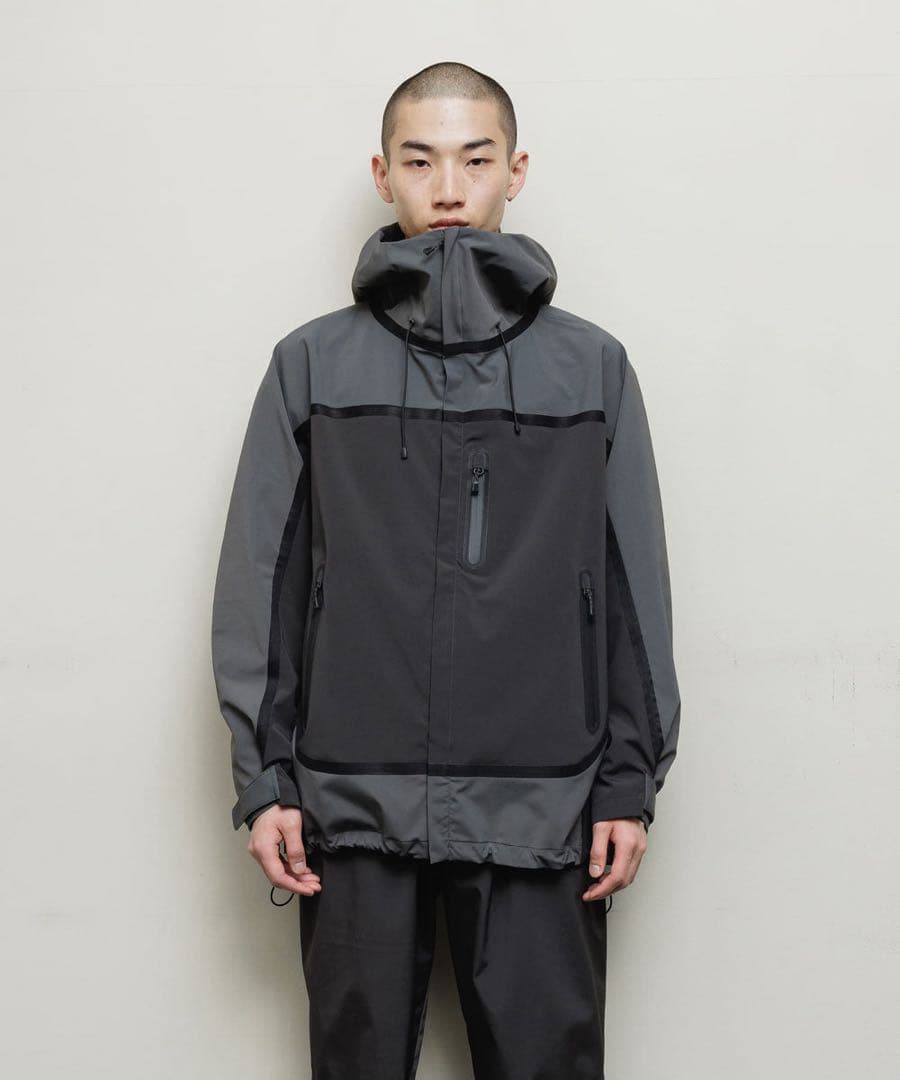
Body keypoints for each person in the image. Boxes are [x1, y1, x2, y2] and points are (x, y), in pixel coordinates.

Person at [211, 60, 680, 1080]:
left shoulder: (592, 370)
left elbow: (632, 590)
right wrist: (266, 779)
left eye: (475, 159)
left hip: (544, 804)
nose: (450, 188)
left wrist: (627, 783)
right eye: (421, 162)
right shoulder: (311, 366)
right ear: (384, 174)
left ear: (517, 170)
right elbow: (262, 581)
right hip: (348, 801)